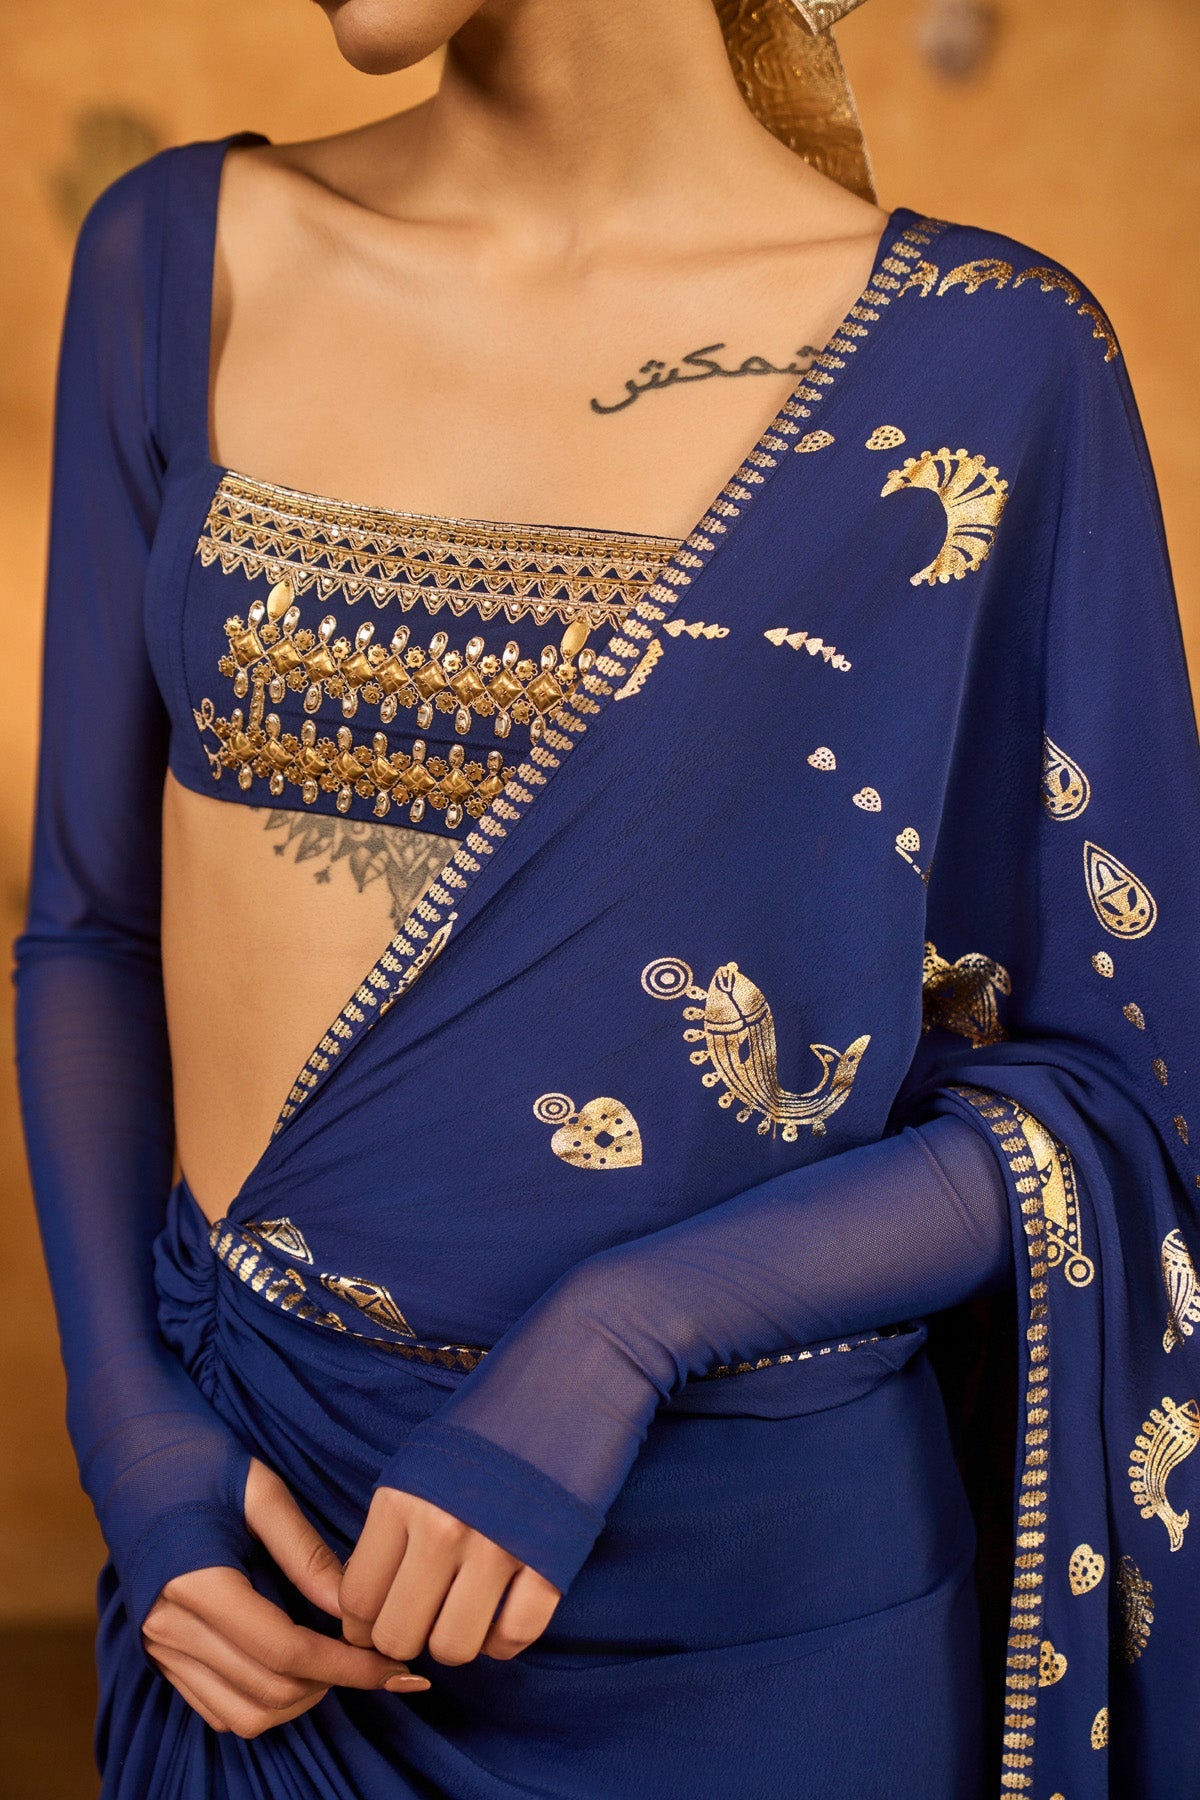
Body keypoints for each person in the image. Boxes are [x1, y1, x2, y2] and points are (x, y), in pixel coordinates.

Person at [14, 1, 1200, 1794]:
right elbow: (92, 930)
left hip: (755, 1614)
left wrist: (628, 1327)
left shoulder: (992, 360)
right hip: (263, 1580)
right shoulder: (183, 258)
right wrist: (132, 1435)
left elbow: (1111, 1097)